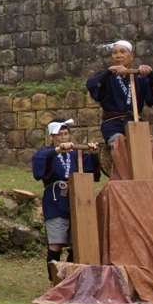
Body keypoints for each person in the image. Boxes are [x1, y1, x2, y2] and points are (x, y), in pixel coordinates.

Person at [31, 118, 101, 281]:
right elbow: (40, 166)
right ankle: (54, 280)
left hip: (77, 201)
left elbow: (92, 173)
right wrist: (57, 150)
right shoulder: (45, 153)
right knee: (56, 244)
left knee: (76, 244)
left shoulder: (76, 154)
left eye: (66, 133)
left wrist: (94, 154)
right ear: (51, 137)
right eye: (60, 134)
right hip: (56, 202)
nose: (64, 137)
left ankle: (70, 280)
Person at [85, 39, 153, 148]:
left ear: (131, 56)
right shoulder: (107, 75)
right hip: (113, 124)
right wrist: (110, 70)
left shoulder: (139, 77)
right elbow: (92, 85)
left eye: (122, 52)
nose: (118, 55)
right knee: (120, 146)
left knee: (147, 149)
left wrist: (150, 73)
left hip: (135, 123)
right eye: (115, 53)